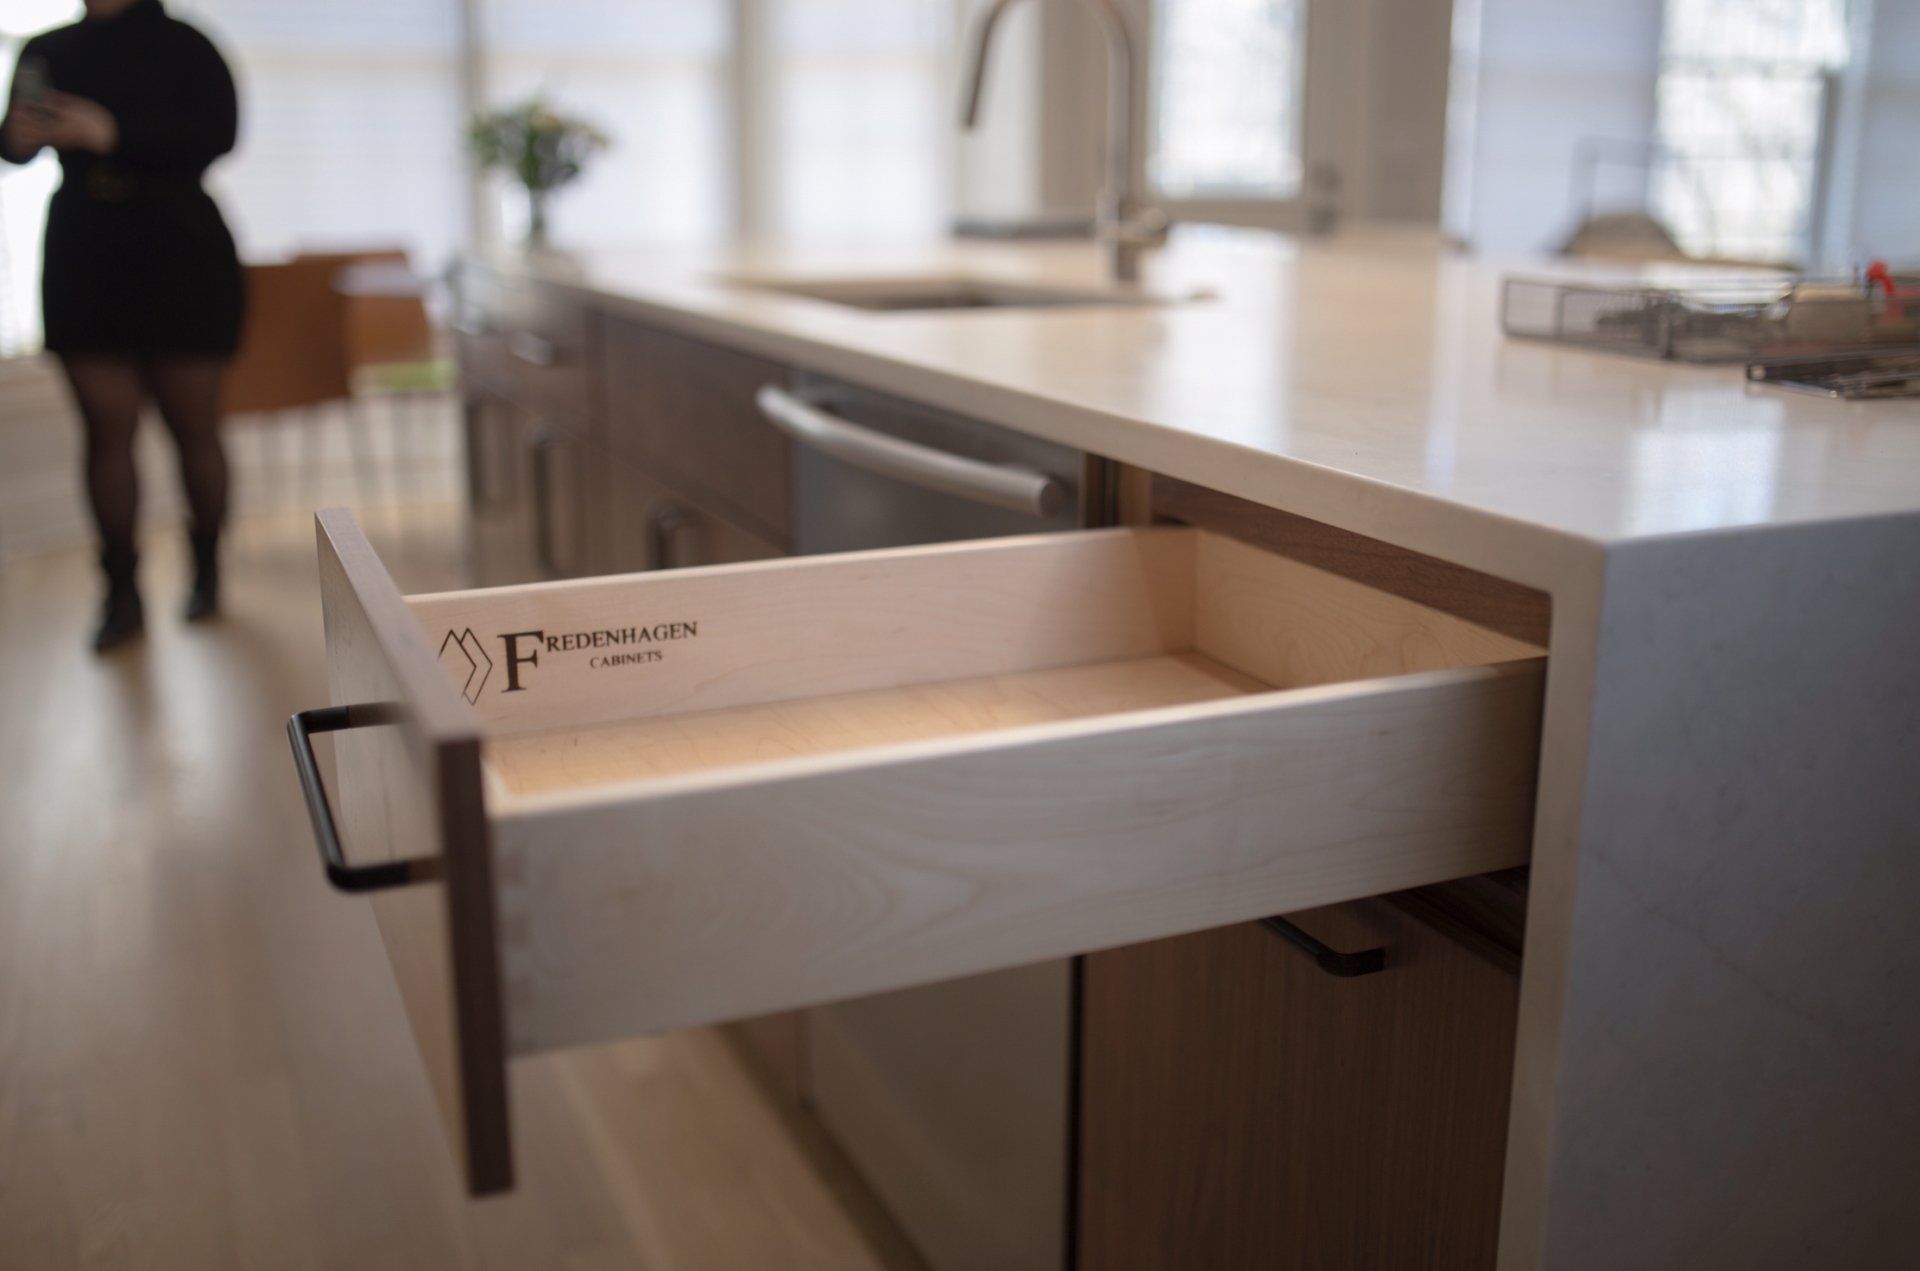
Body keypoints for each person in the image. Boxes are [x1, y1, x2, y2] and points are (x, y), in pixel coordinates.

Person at [2, 0, 243, 651]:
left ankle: (207, 569)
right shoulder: (48, 47)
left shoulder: (189, 45)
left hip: (179, 251)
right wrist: (20, 138)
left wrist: (114, 132)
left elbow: (220, 134)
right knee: (105, 430)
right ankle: (121, 591)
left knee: (193, 424)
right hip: (86, 252)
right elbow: (11, 145)